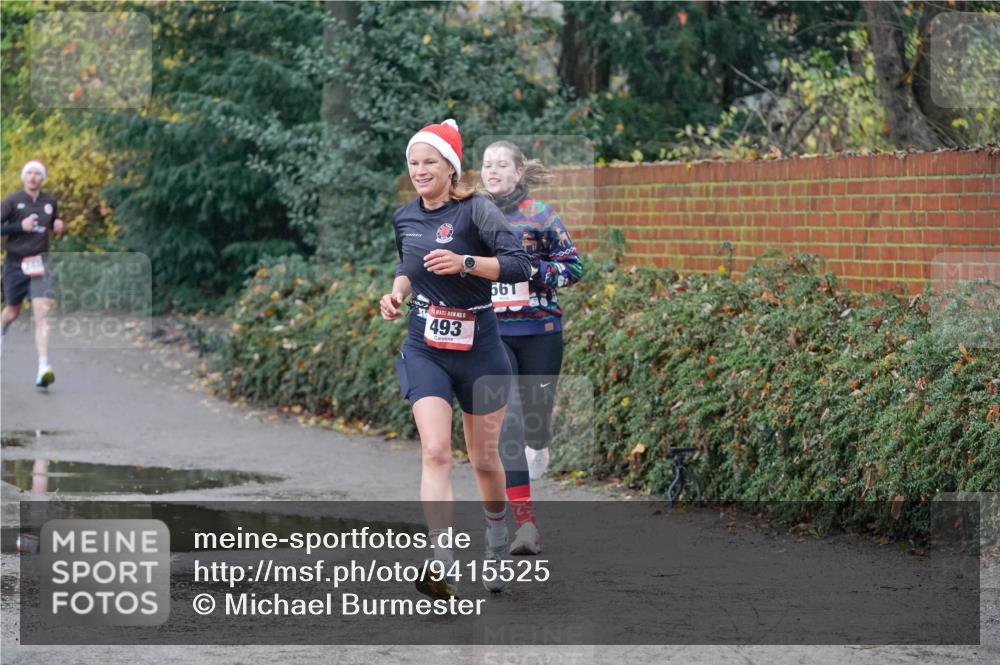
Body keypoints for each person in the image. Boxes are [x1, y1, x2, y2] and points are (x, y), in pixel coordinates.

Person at [380, 120, 531, 598]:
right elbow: (408, 265)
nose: (420, 170)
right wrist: (396, 294)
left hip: (480, 348)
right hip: (426, 346)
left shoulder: (477, 211)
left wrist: (465, 262)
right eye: (414, 163)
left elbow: (519, 265)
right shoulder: (405, 217)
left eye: (430, 162)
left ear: (450, 167)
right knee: (435, 452)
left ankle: (494, 540)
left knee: (484, 460)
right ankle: (440, 558)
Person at [480, 141, 584, 555]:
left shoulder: (541, 215)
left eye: (502, 164)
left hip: (540, 331)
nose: (493, 171)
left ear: (519, 171)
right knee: (509, 423)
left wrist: (534, 270)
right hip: (494, 333)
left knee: (535, 423)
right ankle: (526, 525)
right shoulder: (474, 214)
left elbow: (573, 268)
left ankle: (540, 444)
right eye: (487, 164)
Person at [1, 160, 65, 387]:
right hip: (15, 264)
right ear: (23, 177)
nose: (33, 177)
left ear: (42, 178)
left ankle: (43, 367)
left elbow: (52, 222)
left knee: (42, 311)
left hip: (40, 264)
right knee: (12, 312)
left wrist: (57, 225)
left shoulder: (50, 201)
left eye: (38, 174)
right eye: (29, 173)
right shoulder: (11, 201)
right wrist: (20, 227)